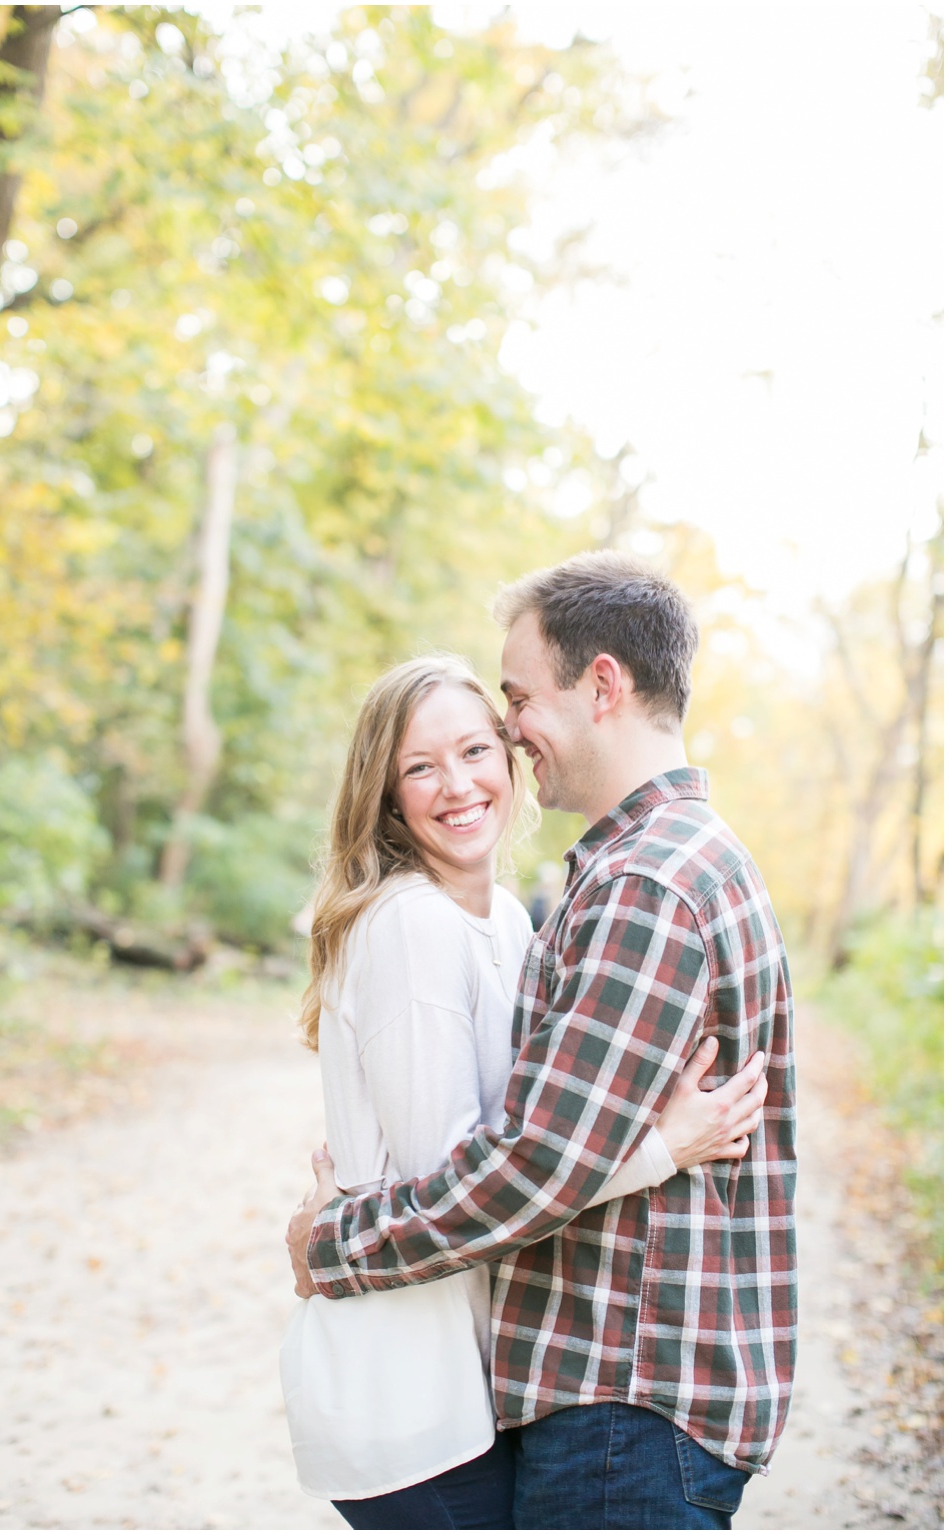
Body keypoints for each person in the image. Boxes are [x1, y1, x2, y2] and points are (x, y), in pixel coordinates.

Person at [286, 554, 796, 1530]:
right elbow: (499, 1160)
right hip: (456, 1391)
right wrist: (655, 1143)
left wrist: (332, 1235)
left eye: (503, 714)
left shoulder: (633, 885)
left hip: (620, 1401)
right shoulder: (613, 877)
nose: (506, 740)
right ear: (384, 792)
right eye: (419, 764)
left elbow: (522, 1165)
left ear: (599, 685)